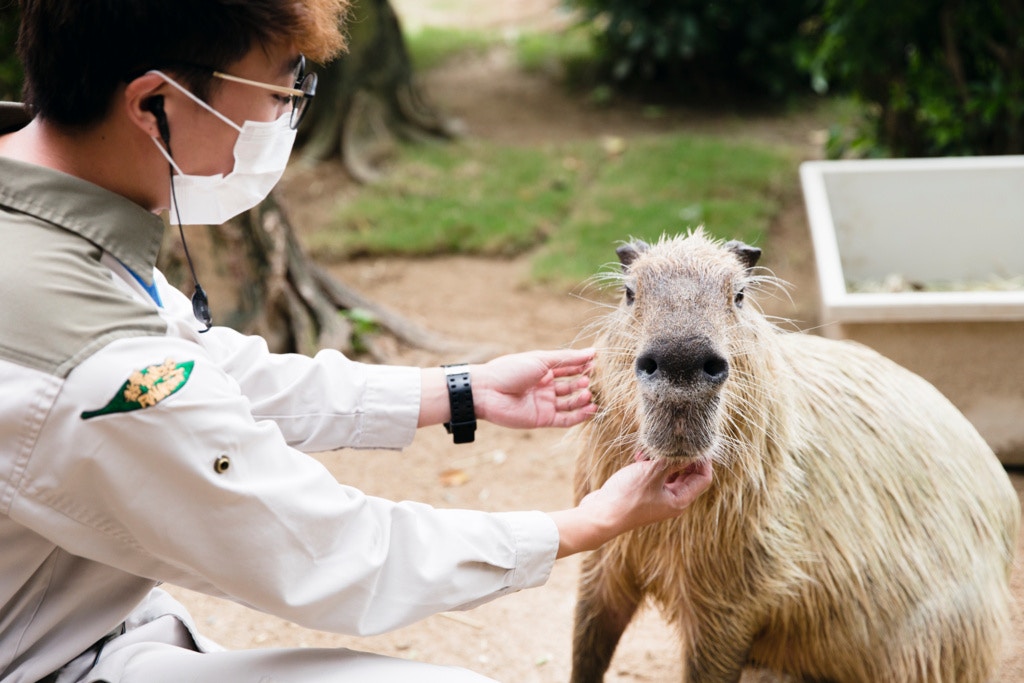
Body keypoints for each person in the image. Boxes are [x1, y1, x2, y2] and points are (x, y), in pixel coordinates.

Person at [0, 2, 714, 682]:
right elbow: (325, 552)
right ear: (155, 103)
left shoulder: (46, 224)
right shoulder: (93, 356)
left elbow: (200, 369)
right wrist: (583, 522)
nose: (288, 114)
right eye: (282, 86)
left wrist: (458, 391)